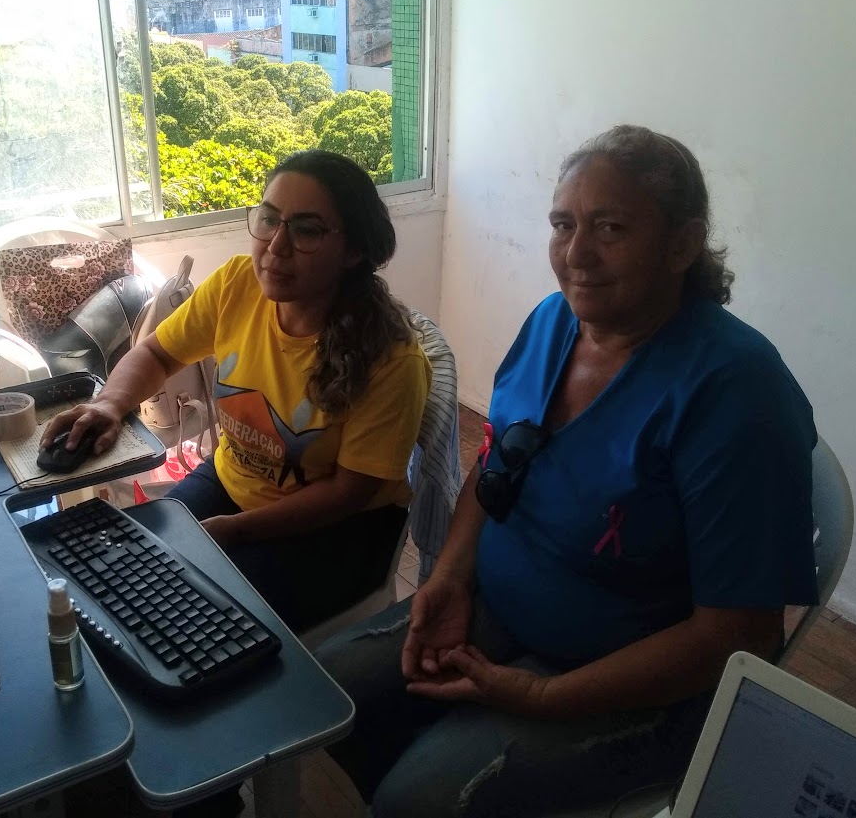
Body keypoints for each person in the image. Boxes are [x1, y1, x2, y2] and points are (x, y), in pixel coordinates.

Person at [316, 125, 819, 817]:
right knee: (325, 698)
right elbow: (495, 464)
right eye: (563, 225)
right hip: (498, 610)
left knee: (419, 798)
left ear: (682, 244)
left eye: (611, 228)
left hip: (644, 684)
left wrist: (544, 696)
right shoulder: (553, 321)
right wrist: (450, 577)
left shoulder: (736, 395)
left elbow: (739, 636)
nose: (576, 254)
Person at [42, 149, 430, 634]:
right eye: (269, 219)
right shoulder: (236, 286)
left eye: (306, 230)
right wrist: (109, 404)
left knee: (197, 622)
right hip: (233, 481)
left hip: (339, 528)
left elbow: (348, 493)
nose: (276, 247)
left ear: (353, 250)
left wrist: (236, 531)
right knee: (122, 568)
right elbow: (156, 353)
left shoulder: (391, 361)